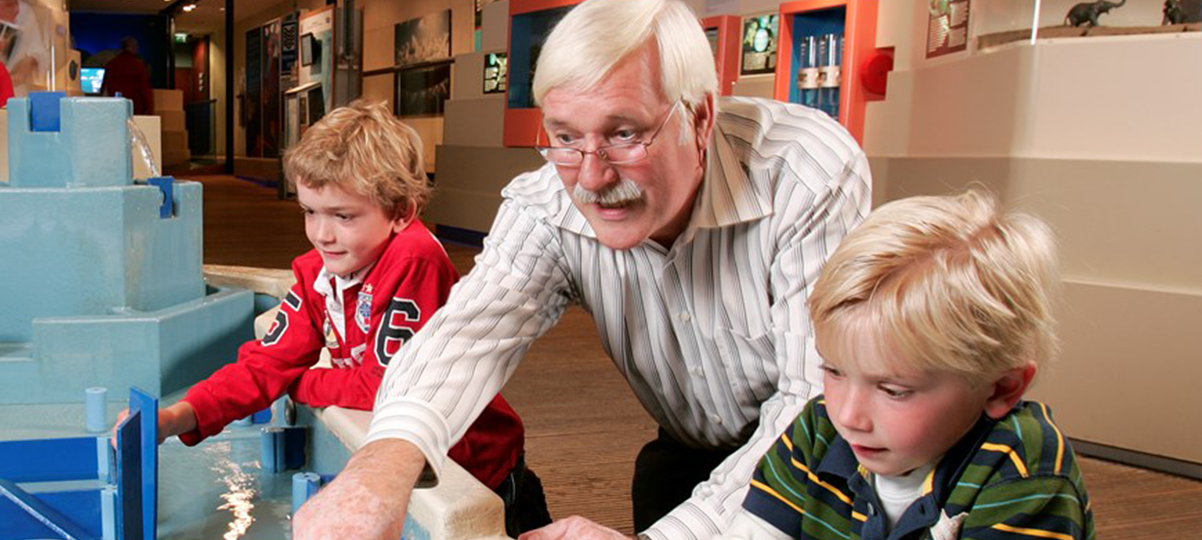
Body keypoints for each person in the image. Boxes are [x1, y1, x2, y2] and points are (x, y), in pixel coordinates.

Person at [292, 0, 873, 537]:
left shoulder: (803, 173)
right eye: (565, 138)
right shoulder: (548, 200)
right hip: (684, 449)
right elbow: (466, 335)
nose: (591, 179)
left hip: (840, 460)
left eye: (624, 134)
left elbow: (816, 402)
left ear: (699, 119)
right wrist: (378, 472)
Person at [130, 101, 551, 536]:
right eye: (310, 212)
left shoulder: (414, 258)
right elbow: (264, 363)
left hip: (479, 466)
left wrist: (295, 382)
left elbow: (385, 387)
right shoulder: (318, 272)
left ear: (402, 212)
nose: (321, 234)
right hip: (410, 472)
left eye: (343, 216)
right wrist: (180, 415)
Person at [719, 190, 1093, 540]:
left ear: (1001, 387)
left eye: (893, 391)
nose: (848, 416)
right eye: (834, 371)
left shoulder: (1025, 473)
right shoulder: (818, 432)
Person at [101, 36, 153, 116]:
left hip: (115, 108)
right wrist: (150, 110)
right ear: (133, 47)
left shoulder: (111, 64)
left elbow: (105, 88)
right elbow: (144, 89)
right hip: (135, 108)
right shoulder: (138, 65)